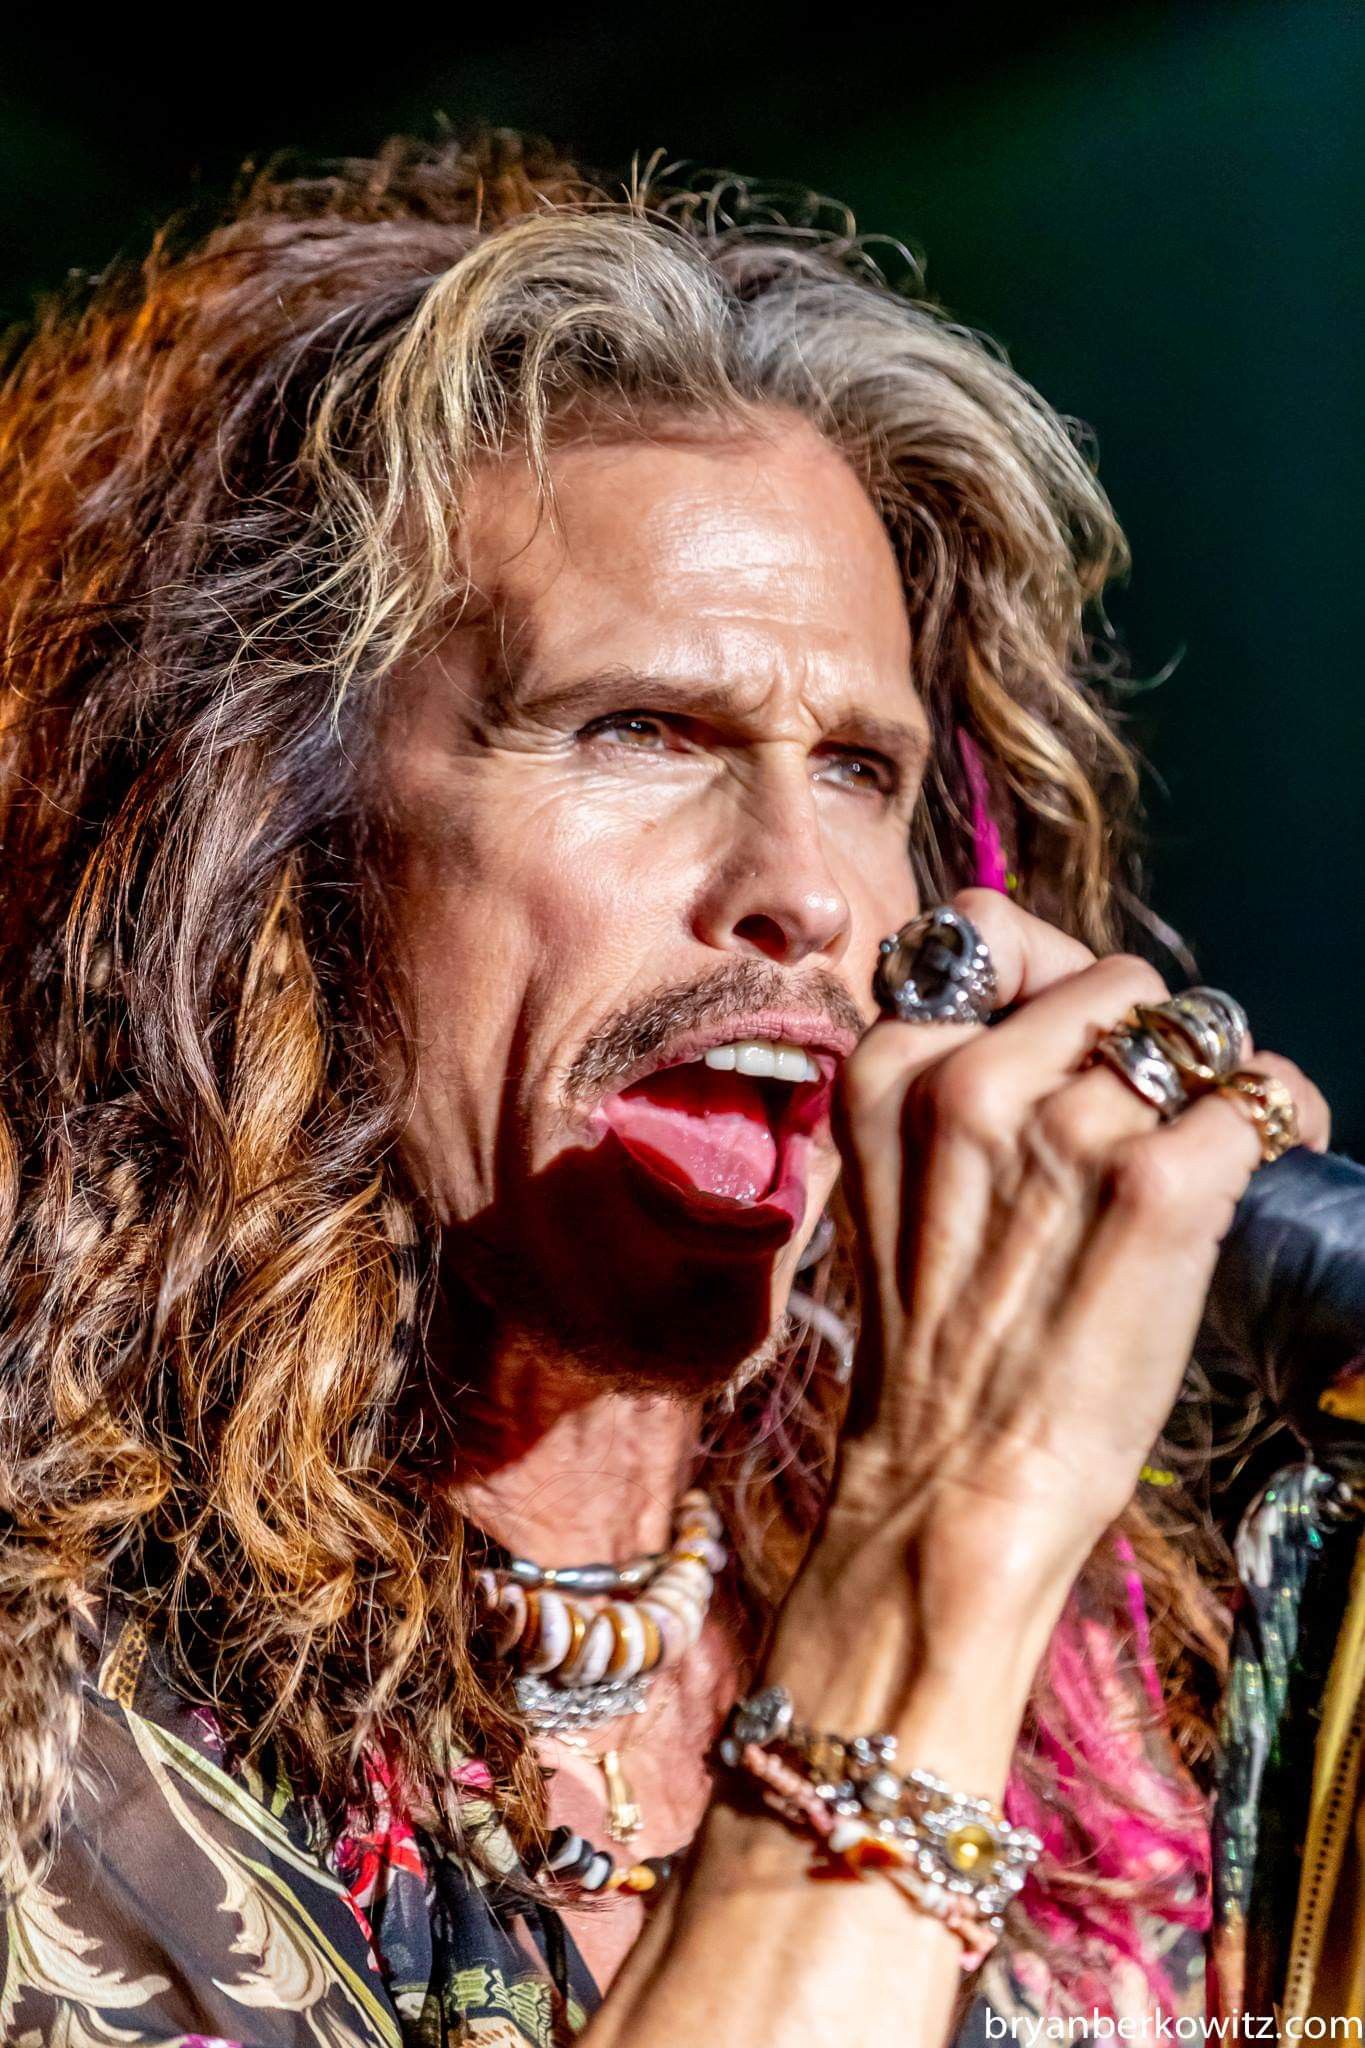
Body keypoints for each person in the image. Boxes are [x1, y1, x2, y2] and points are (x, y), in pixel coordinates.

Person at [0, 129, 1331, 2046]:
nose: (806, 893)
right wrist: (940, 1548)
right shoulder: (55, 1720)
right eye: (637, 728)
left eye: (860, 770)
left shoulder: (1123, 1695)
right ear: (259, 851)